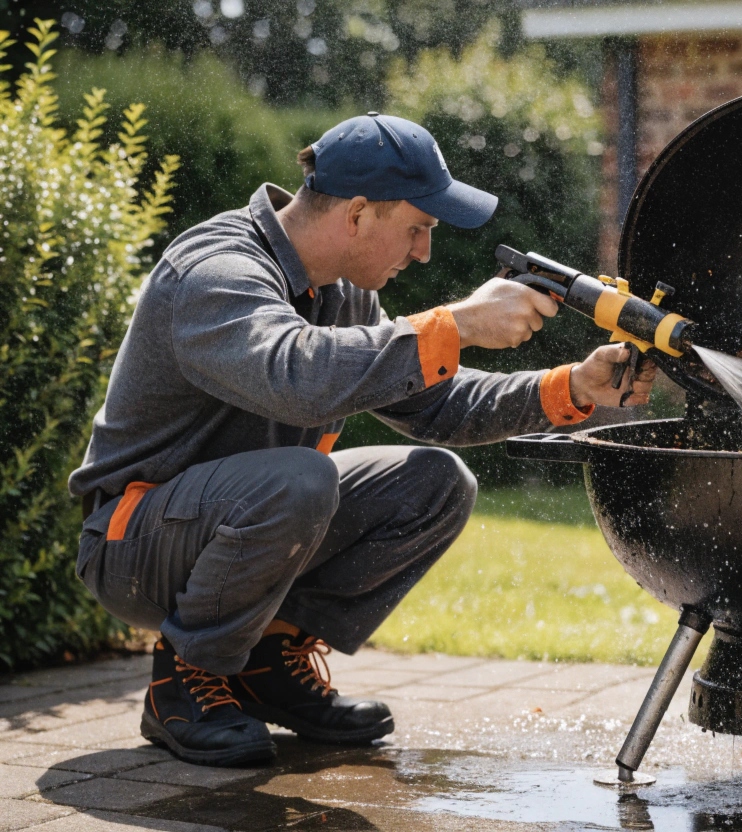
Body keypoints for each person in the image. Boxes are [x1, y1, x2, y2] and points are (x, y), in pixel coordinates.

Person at [69, 112, 654, 767]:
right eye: (418, 228)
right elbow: (293, 374)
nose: (425, 251)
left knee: (432, 484)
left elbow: (434, 405)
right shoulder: (216, 269)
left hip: (229, 519)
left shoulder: (343, 293)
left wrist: (571, 387)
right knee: (301, 479)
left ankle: (265, 665)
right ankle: (185, 679)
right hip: (133, 544)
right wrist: (453, 323)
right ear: (356, 215)